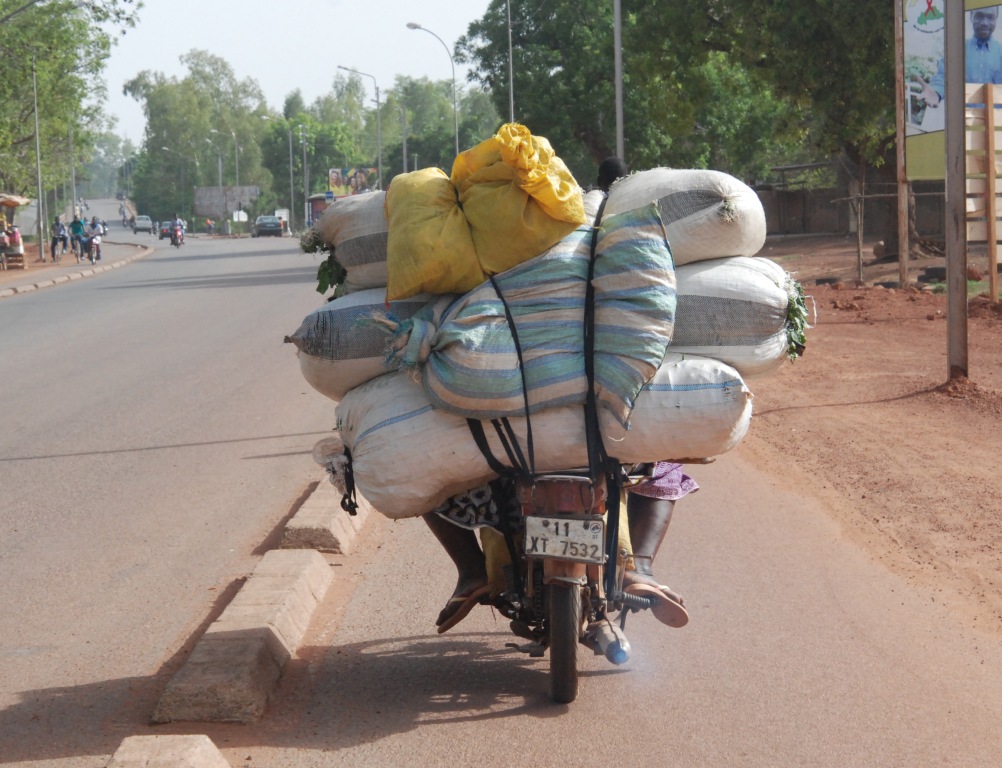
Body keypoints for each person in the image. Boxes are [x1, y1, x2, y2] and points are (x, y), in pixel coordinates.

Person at [917, 6, 1002, 108]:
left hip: (995, 122)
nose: (984, 22)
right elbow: (943, 78)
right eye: (979, 16)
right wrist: (936, 93)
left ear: (996, 19)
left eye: (990, 17)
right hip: (962, 122)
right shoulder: (956, 50)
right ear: (971, 17)